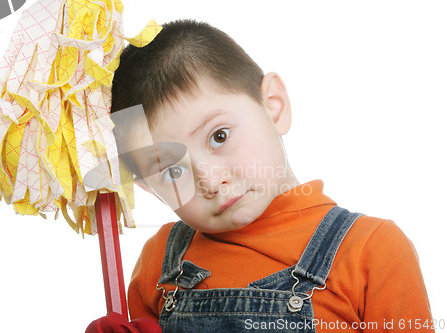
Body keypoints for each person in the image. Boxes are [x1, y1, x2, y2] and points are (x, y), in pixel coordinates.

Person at [86, 19, 433, 332]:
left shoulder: (372, 250)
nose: (210, 180)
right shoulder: (160, 262)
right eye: (171, 170)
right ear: (149, 189)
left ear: (273, 105)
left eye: (219, 136)